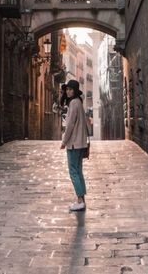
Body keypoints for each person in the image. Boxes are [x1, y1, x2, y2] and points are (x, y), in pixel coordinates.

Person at [60, 79, 89, 212]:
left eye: (71, 89)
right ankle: (82, 199)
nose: (68, 91)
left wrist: (64, 141)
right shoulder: (79, 103)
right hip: (80, 143)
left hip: (73, 144)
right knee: (78, 171)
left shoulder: (73, 103)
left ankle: (80, 200)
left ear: (75, 91)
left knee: (73, 172)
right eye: (67, 89)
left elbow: (70, 124)